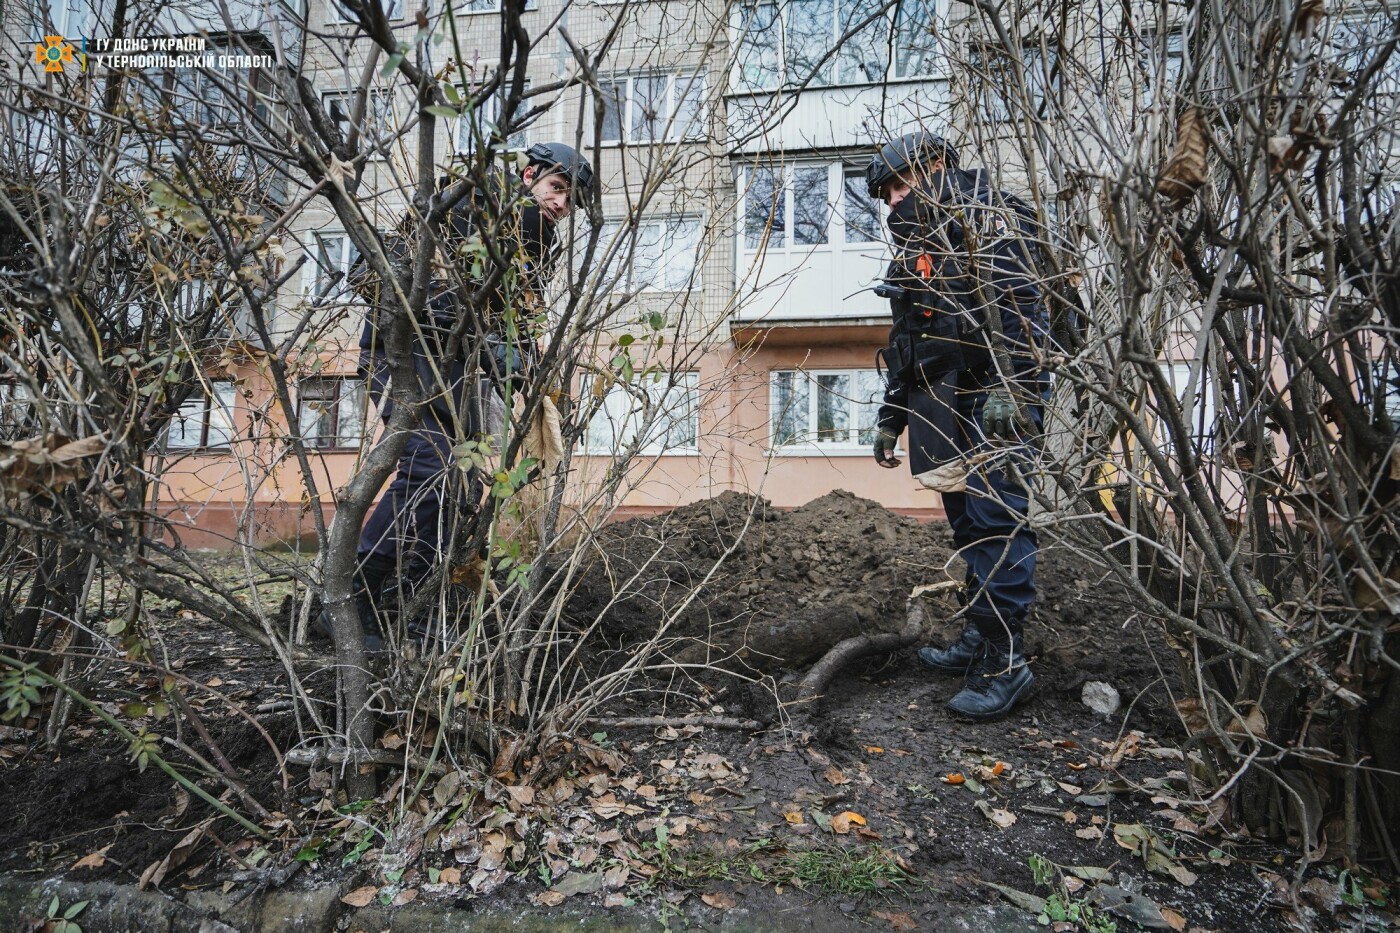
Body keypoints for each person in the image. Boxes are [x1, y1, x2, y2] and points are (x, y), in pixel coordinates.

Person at [348, 142, 593, 648]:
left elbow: (519, 316)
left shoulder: (539, 243)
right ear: (529, 175)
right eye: (558, 188)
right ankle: (354, 596)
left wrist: (529, 367)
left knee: (462, 487)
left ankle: (414, 603)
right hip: (407, 355)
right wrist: (484, 335)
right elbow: (382, 277)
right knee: (429, 468)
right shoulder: (470, 203)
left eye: (570, 200)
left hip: (456, 370)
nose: (562, 205)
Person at [865, 130, 1050, 720]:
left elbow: (1026, 305)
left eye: (899, 183)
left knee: (998, 521)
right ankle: (979, 636)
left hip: (994, 392)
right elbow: (907, 340)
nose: (893, 199)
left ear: (937, 165)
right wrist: (892, 414)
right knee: (968, 523)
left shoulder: (992, 219)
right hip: (940, 397)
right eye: (885, 192)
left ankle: (1007, 662)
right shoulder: (915, 248)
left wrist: (1010, 387)